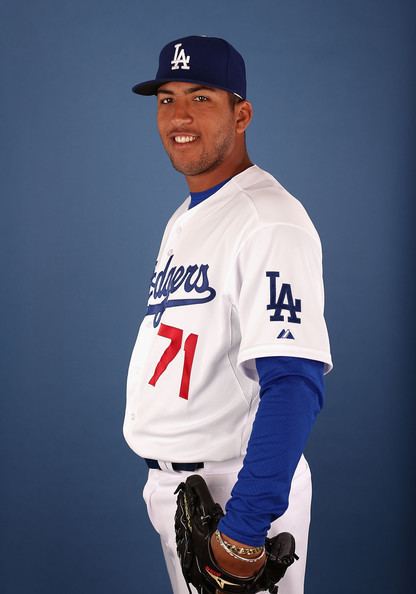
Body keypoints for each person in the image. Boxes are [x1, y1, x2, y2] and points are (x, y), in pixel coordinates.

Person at [123, 35, 332, 594]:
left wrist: (245, 526)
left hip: (234, 495)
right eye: (166, 99)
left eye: (201, 97)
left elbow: (293, 381)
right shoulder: (188, 216)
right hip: (182, 491)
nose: (179, 116)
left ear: (242, 114)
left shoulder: (269, 219)